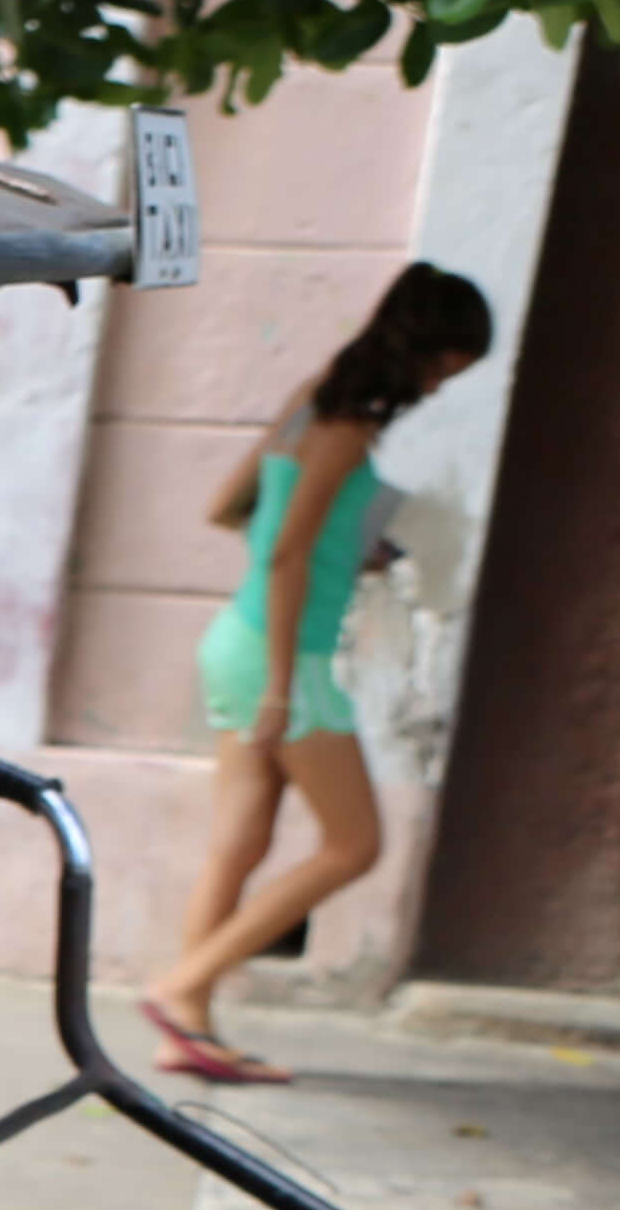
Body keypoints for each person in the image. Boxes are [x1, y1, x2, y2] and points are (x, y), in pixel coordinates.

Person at [142, 262, 496, 1083]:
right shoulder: (347, 429)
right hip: (283, 658)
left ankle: (184, 1028)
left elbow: (230, 508)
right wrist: (277, 685)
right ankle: (182, 986)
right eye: (446, 367)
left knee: (240, 843)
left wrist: (348, 551)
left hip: (238, 636)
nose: (443, 386)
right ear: (421, 348)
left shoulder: (313, 402)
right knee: (355, 844)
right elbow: (293, 548)